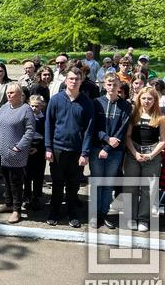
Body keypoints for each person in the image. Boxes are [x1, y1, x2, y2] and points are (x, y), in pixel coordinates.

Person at [45, 67, 94, 228]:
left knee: (73, 185)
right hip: (58, 149)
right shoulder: (56, 100)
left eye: (77, 79)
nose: (73, 81)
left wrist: (85, 152)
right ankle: (54, 211)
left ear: (81, 81)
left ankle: (72, 212)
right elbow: (49, 125)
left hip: (77, 151)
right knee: (57, 183)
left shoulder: (87, 102)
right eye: (71, 78)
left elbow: (89, 129)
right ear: (66, 80)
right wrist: (48, 148)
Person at [89, 74, 132, 229]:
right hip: (97, 148)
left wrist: (108, 147)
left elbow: (123, 129)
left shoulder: (126, 106)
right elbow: (93, 127)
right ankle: (94, 215)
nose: (112, 87)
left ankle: (104, 214)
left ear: (119, 85)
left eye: (115, 84)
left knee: (108, 184)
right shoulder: (96, 103)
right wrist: (106, 140)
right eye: (109, 84)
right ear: (104, 84)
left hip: (115, 151)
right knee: (97, 182)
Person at [0, 83, 35, 224]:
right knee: (6, 181)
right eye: (8, 93)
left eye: (12, 93)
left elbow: (30, 131)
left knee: (16, 182)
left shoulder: (26, 109)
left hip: (16, 153)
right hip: (1, 151)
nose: (9, 95)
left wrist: (19, 147)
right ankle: (8, 204)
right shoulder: (3, 108)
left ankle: (17, 210)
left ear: (20, 95)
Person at [124, 87, 165, 232]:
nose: (146, 101)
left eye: (150, 99)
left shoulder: (160, 118)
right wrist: (135, 153)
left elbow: (163, 140)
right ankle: (130, 217)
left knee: (149, 189)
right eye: (144, 98)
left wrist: (152, 155)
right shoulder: (133, 115)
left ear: (155, 101)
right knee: (131, 187)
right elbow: (128, 136)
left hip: (152, 154)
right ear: (139, 99)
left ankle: (143, 219)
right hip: (133, 152)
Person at [23, 95, 46, 211]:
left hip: (40, 148)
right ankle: (26, 197)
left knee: (38, 175)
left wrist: (39, 148)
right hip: (27, 146)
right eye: (32, 106)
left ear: (41, 106)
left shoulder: (44, 119)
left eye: (37, 106)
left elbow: (47, 136)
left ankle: (36, 197)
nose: (34, 108)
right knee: (26, 175)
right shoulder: (26, 117)